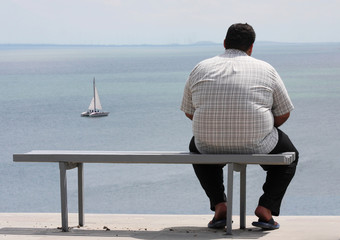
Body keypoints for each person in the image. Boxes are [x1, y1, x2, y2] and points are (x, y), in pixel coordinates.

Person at [180, 23, 299, 230]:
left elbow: (190, 112)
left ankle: (220, 205)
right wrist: (264, 125)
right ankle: (266, 208)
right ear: (251, 47)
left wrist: (214, 124)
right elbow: (283, 113)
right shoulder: (266, 69)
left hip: (208, 145)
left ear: (225, 43)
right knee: (290, 155)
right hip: (258, 143)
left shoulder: (200, 68)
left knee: (196, 146)